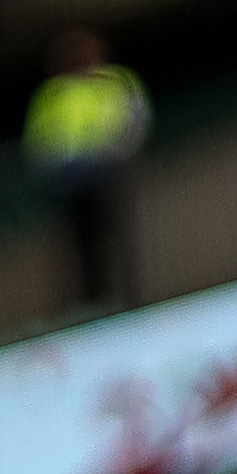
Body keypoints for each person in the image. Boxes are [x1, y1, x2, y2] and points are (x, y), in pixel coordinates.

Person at [28, 30, 152, 313]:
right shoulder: (53, 93)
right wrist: (65, 164)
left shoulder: (118, 81)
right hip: (74, 183)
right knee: (83, 251)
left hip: (112, 173)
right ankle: (93, 307)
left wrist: (116, 151)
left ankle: (131, 301)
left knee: (122, 240)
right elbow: (40, 141)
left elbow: (137, 118)